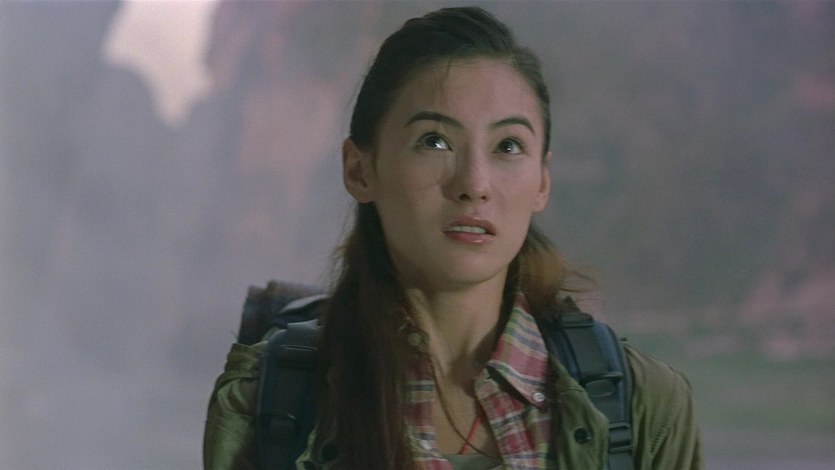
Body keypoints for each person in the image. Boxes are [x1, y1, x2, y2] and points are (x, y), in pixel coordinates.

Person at [203, 6, 702, 469]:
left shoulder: (641, 407)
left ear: (542, 182)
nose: (474, 184)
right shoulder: (269, 403)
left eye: (509, 146)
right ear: (359, 170)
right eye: (434, 141)